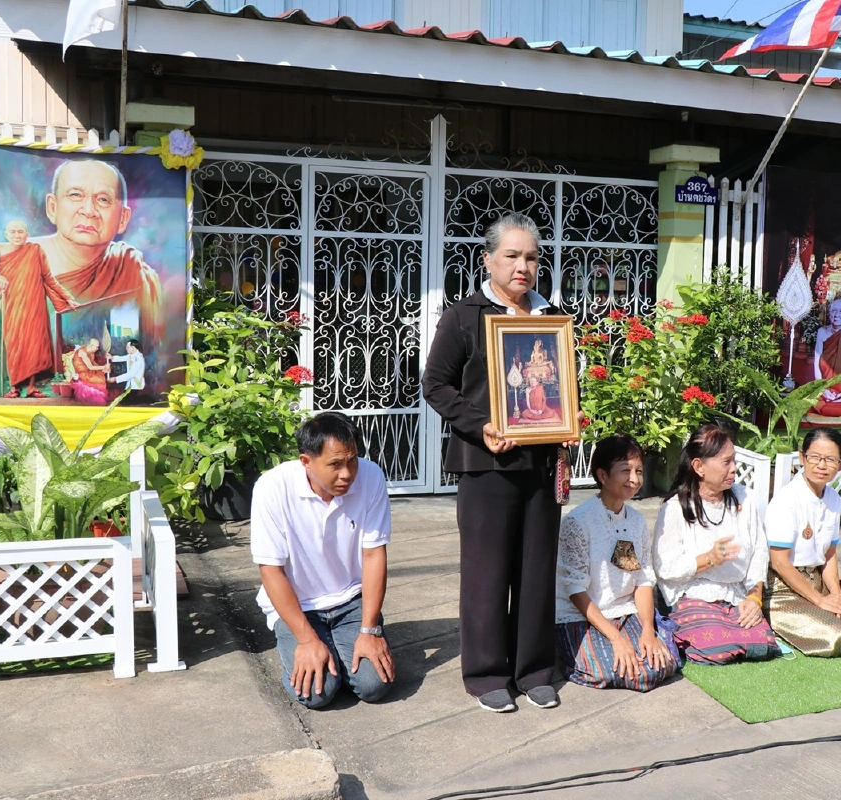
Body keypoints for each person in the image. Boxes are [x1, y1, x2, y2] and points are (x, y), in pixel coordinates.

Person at [423, 212, 578, 713]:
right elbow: (435, 386)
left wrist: (572, 412)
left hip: (541, 463)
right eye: (511, 255)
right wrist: (479, 425)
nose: (522, 266)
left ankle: (534, 669)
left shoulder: (551, 317)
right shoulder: (464, 316)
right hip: (485, 464)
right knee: (488, 572)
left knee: (536, 570)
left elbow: (560, 386)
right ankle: (487, 673)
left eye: (531, 257)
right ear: (488, 259)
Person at [250, 412, 394, 709]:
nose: (347, 474)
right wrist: (306, 640)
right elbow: (271, 570)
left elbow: (374, 554)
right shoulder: (272, 488)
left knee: (373, 686)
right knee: (316, 694)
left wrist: (369, 631)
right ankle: (310, 653)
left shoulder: (371, 476)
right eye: (335, 464)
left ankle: (345, 650)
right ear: (306, 461)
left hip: (352, 601)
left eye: (352, 460)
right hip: (298, 606)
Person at [555, 435, 679, 691]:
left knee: (659, 664)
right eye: (625, 471)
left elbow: (642, 581)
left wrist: (647, 630)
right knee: (613, 670)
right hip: (582, 617)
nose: (634, 480)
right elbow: (574, 590)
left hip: (625, 612)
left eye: (639, 471)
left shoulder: (635, 520)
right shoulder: (577, 522)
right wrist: (616, 638)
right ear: (602, 475)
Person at [652, 424, 781, 665]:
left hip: (736, 593)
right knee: (716, 649)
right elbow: (664, 568)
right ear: (699, 467)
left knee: (762, 644)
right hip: (692, 593)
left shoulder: (744, 497)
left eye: (734, 460)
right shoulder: (675, 508)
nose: (734, 468)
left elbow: (759, 552)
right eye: (726, 462)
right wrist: (708, 559)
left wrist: (754, 599)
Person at [763, 428, 841, 657]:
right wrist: (821, 601)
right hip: (783, 588)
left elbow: (830, 555)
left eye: (830, 459)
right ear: (802, 457)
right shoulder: (787, 500)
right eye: (814, 457)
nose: (822, 465)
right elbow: (780, 563)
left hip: (817, 582)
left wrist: (836, 595)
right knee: (837, 639)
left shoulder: (833, 497)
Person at [35, 160, 164, 344]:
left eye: (103, 199)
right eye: (75, 195)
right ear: (52, 207)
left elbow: (155, 349)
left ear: (123, 218)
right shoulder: (19, 263)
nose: (89, 211)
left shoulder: (133, 271)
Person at [0, 219, 77, 398]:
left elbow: (48, 278)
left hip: (34, 306)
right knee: (14, 344)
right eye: (12, 232)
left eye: (20, 232)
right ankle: (15, 387)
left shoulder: (34, 251)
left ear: (27, 235)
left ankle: (31, 387)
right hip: (11, 304)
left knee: (33, 344)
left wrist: (68, 297)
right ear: (6, 234)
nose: (16, 235)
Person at [71, 337, 110, 405]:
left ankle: (97, 399)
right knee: (99, 379)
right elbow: (91, 367)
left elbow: (93, 363)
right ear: (91, 345)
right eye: (96, 347)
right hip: (82, 373)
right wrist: (104, 367)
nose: (97, 349)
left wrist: (103, 369)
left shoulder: (91, 352)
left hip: (89, 371)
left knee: (101, 374)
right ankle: (94, 399)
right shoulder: (83, 352)